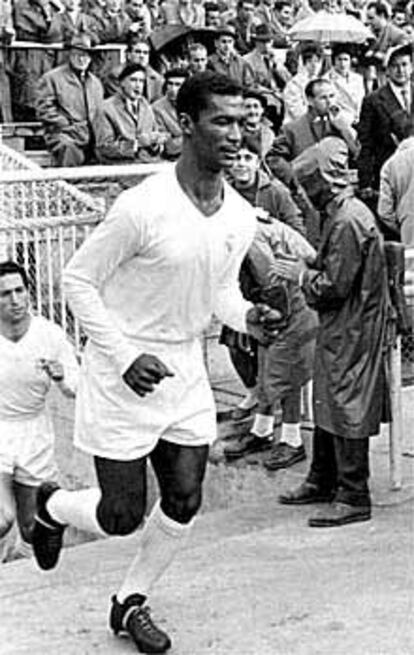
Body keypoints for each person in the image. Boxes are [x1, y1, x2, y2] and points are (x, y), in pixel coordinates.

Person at [30, 71, 281, 654]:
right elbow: (77, 280)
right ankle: (49, 506)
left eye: (244, 122)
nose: (237, 134)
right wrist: (122, 357)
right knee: (122, 515)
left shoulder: (239, 215)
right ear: (186, 125)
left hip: (183, 370)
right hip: (122, 371)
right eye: (222, 120)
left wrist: (246, 318)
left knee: (186, 496)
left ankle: (129, 600)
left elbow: (217, 292)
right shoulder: (140, 206)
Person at [273, 137, 389, 527]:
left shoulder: (348, 220)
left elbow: (335, 286)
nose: (304, 194)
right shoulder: (343, 216)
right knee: (327, 396)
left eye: (308, 185)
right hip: (343, 325)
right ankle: (323, 477)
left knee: (347, 401)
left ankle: (354, 493)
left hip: (354, 326)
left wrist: (303, 275)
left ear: (325, 181)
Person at [222, 138, 318, 468]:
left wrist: (271, 309)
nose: (240, 165)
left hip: (290, 295)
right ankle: (262, 431)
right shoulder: (232, 213)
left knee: (285, 368)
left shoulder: (252, 226)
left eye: (247, 158)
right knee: (266, 364)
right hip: (268, 295)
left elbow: (271, 274)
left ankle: (291, 440)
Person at [0, 261, 78, 563]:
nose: (15, 300)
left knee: (32, 530)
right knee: (2, 518)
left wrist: (61, 376)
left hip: (35, 433)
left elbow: (76, 385)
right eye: (5, 294)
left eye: (20, 290)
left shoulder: (50, 335)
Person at [266, 78, 359, 184]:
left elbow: (357, 155)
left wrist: (345, 130)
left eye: (332, 96)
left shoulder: (341, 124)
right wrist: (293, 179)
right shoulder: (291, 128)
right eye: (323, 98)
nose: (330, 102)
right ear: (310, 100)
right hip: (305, 188)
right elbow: (274, 160)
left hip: (338, 189)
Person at [36, 33, 104, 167]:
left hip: (90, 135)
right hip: (63, 133)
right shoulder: (52, 78)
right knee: (68, 148)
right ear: (69, 55)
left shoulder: (96, 83)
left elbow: (99, 113)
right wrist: (67, 124)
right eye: (77, 54)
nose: (82, 59)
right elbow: (44, 110)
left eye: (86, 55)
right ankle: (68, 184)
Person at [357, 42, 414, 197]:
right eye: (395, 66)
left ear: (412, 67)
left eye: (404, 64)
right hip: (391, 174)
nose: (400, 70)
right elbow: (366, 144)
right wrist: (365, 182)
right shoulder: (373, 100)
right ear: (387, 70)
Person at [97, 63, 166, 163]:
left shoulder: (145, 106)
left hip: (148, 162)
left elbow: (154, 136)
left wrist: (155, 143)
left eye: (141, 81)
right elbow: (104, 147)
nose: (138, 85)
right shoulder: (106, 108)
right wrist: (136, 144)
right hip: (121, 167)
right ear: (122, 83)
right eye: (133, 80)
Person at [377, 129, 414, 246]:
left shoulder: (390, 166)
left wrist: (403, 226)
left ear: (394, 138)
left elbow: (384, 212)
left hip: (409, 233)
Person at [152, 67, 188, 160]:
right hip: (171, 160)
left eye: (178, 85)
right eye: (170, 84)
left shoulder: (196, 104)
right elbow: (169, 147)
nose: (173, 89)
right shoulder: (157, 108)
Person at [282, 42, 323, 124]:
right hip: (296, 125)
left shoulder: (321, 83)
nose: (314, 65)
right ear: (303, 62)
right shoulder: (294, 84)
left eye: (317, 61)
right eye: (310, 61)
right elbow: (297, 111)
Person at [326, 43, 365, 127]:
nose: (342, 63)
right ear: (334, 61)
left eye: (345, 59)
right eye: (339, 59)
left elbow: (361, 99)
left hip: (360, 119)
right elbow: (331, 105)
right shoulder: (327, 79)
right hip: (340, 121)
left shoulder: (358, 78)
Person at [207, 24, 255, 88]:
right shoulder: (210, 62)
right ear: (216, 43)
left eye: (230, 42)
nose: (227, 46)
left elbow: (249, 84)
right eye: (223, 42)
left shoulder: (241, 62)